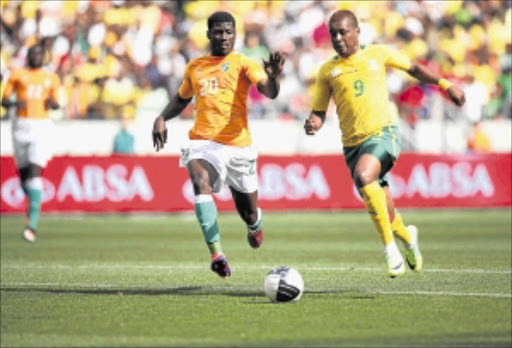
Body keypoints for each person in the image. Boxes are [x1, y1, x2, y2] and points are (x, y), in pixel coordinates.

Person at [304, 10, 466, 277]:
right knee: (381, 202)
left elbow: (413, 69)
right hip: (352, 145)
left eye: (343, 31)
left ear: (357, 32)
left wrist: (446, 85)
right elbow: (319, 111)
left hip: (384, 134)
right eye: (333, 33)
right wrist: (313, 123)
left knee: (364, 175)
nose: (338, 37)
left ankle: (390, 250)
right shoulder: (327, 71)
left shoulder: (378, 53)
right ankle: (407, 237)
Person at [152, 11, 285, 278]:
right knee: (199, 180)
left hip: (238, 146)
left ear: (235, 35)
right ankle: (217, 254)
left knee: (248, 212)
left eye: (228, 32)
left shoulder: (244, 63)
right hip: (202, 142)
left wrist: (273, 78)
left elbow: (268, 91)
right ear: (209, 34)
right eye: (218, 32)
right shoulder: (196, 66)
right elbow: (181, 99)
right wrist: (161, 117)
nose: (224, 37)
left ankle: (254, 225)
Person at [1, 44, 60, 243]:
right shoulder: (17, 74)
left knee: (35, 172)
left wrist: (52, 104)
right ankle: (32, 204)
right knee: (24, 178)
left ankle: (31, 225)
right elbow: (4, 101)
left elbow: (56, 101)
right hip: (20, 127)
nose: (36, 56)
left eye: (39, 54)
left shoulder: (51, 77)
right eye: (33, 54)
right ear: (27, 56)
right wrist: (17, 103)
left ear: (43, 57)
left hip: (41, 126)